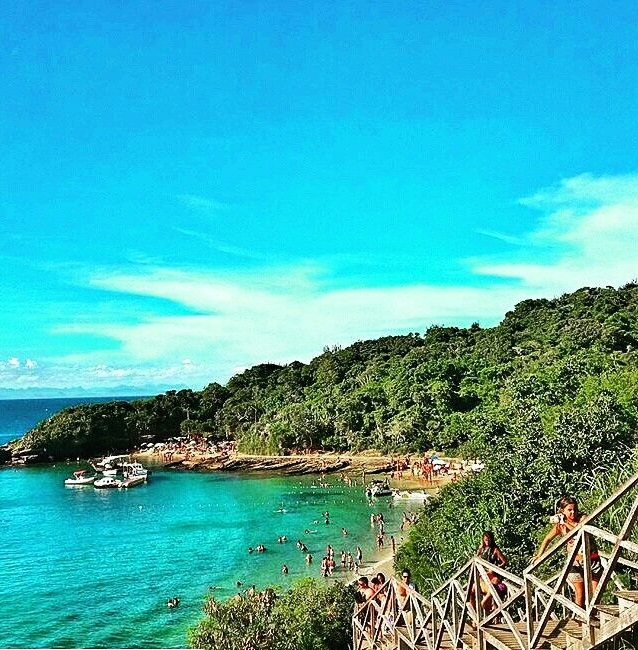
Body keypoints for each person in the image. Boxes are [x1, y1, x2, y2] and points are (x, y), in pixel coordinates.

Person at [533, 495, 603, 608]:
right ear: (562, 511)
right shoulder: (560, 526)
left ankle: (597, 620)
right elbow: (547, 539)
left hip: (591, 560)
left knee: (595, 595)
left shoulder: (583, 518)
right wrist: (539, 555)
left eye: (575, 509)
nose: (573, 512)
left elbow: (579, 530)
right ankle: (581, 620)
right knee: (580, 595)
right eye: (569, 510)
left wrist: (564, 522)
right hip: (574, 562)